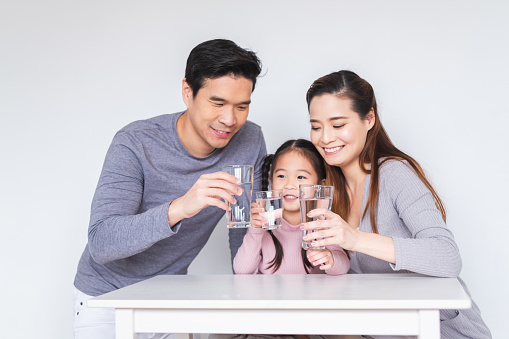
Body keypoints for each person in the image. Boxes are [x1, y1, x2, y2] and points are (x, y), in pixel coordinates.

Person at [72, 39, 267, 339]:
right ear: (187, 92)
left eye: (241, 107)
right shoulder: (135, 142)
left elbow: (242, 231)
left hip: (170, 299)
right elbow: (101, 242)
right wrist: (180, 208)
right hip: (106, 299)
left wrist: (249, 311)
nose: (230, 120)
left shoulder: (249, 141)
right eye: (217, 103)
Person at [301, 70, 491, 338]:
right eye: (316, 126)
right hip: (384, 329)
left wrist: (355, 239)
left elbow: (448, 257)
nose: (325, 138)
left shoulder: (394, 173)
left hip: (438, 330)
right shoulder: (329, 191)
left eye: (338, 124)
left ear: (369, 118)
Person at [234, 139, 350, 275]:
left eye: (301, 177)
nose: (289, 185)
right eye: (281, 176)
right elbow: (242, 271)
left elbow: (343, 267)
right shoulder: (265, 227)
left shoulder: (322, 225)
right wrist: (255, 229)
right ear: (271, 180)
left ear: (320, 185)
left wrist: (330, 258)